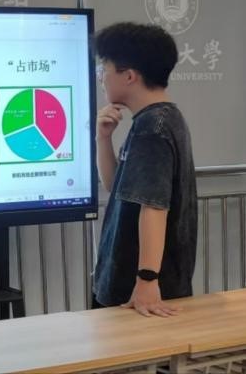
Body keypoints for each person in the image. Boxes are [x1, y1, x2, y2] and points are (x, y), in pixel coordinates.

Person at [92, 22, 197, 317]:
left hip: (138, 294)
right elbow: (117, 187)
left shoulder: (153, 127)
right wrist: (103, 139)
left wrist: (147, 281)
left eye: (104, 69)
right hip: (134, 287)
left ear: (129, 76)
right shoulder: (158, 119)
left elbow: (154, 206)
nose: (101, 78)